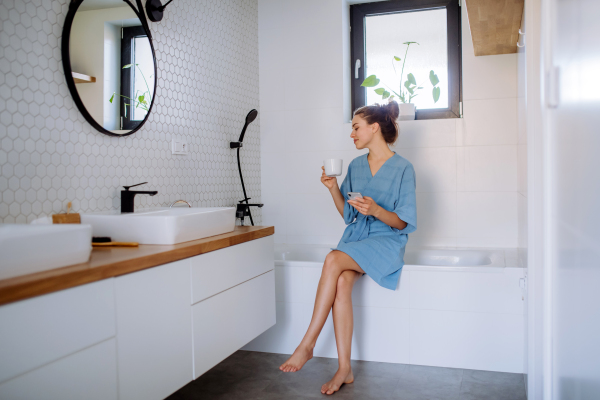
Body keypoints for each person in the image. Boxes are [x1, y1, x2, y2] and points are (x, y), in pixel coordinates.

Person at [278, 100, 417, 395]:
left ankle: (307, 345)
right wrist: (333, 189)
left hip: (386, 241)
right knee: (341, 281)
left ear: (374, 127)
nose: (351, 134)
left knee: (331, 260)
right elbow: (348, 215)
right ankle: (345, 369)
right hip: (356, 239)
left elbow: (403, 223)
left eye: (355, 128)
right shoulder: (355, 166)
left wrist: (377, 210)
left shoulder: (404, 168)